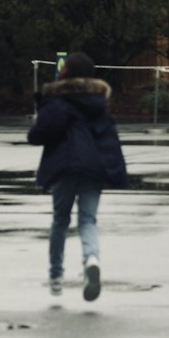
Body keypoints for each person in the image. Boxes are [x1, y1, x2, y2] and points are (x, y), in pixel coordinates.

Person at [27, 52, 128, 301]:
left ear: (66, 72)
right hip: (94, 168)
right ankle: (91, 259)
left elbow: (40, 133)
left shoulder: (57, 101)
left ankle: (56, 278)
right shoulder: (98, 104)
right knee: (87, 220)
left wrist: (37, 126)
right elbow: (109, 138)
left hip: (64, 167)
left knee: (60, 221)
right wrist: (113, 169)